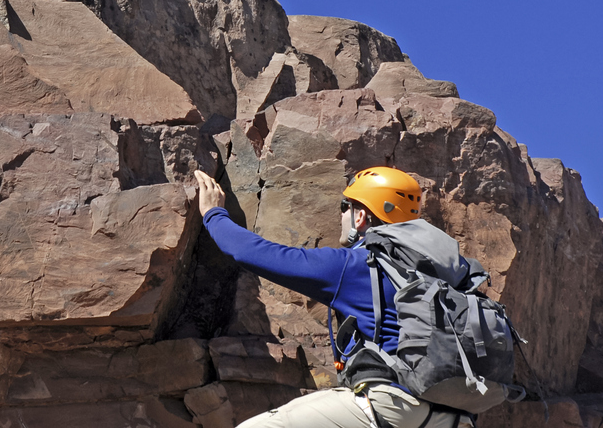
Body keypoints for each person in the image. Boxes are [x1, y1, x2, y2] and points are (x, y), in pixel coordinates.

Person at [194, 167, 460, 428]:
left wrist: (213, 213)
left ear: (361, 217)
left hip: (392, 404)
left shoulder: (357, 265)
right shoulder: (442, 273)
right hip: (451, 414)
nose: (341, 213)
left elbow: (255, 253)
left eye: (345, 205)